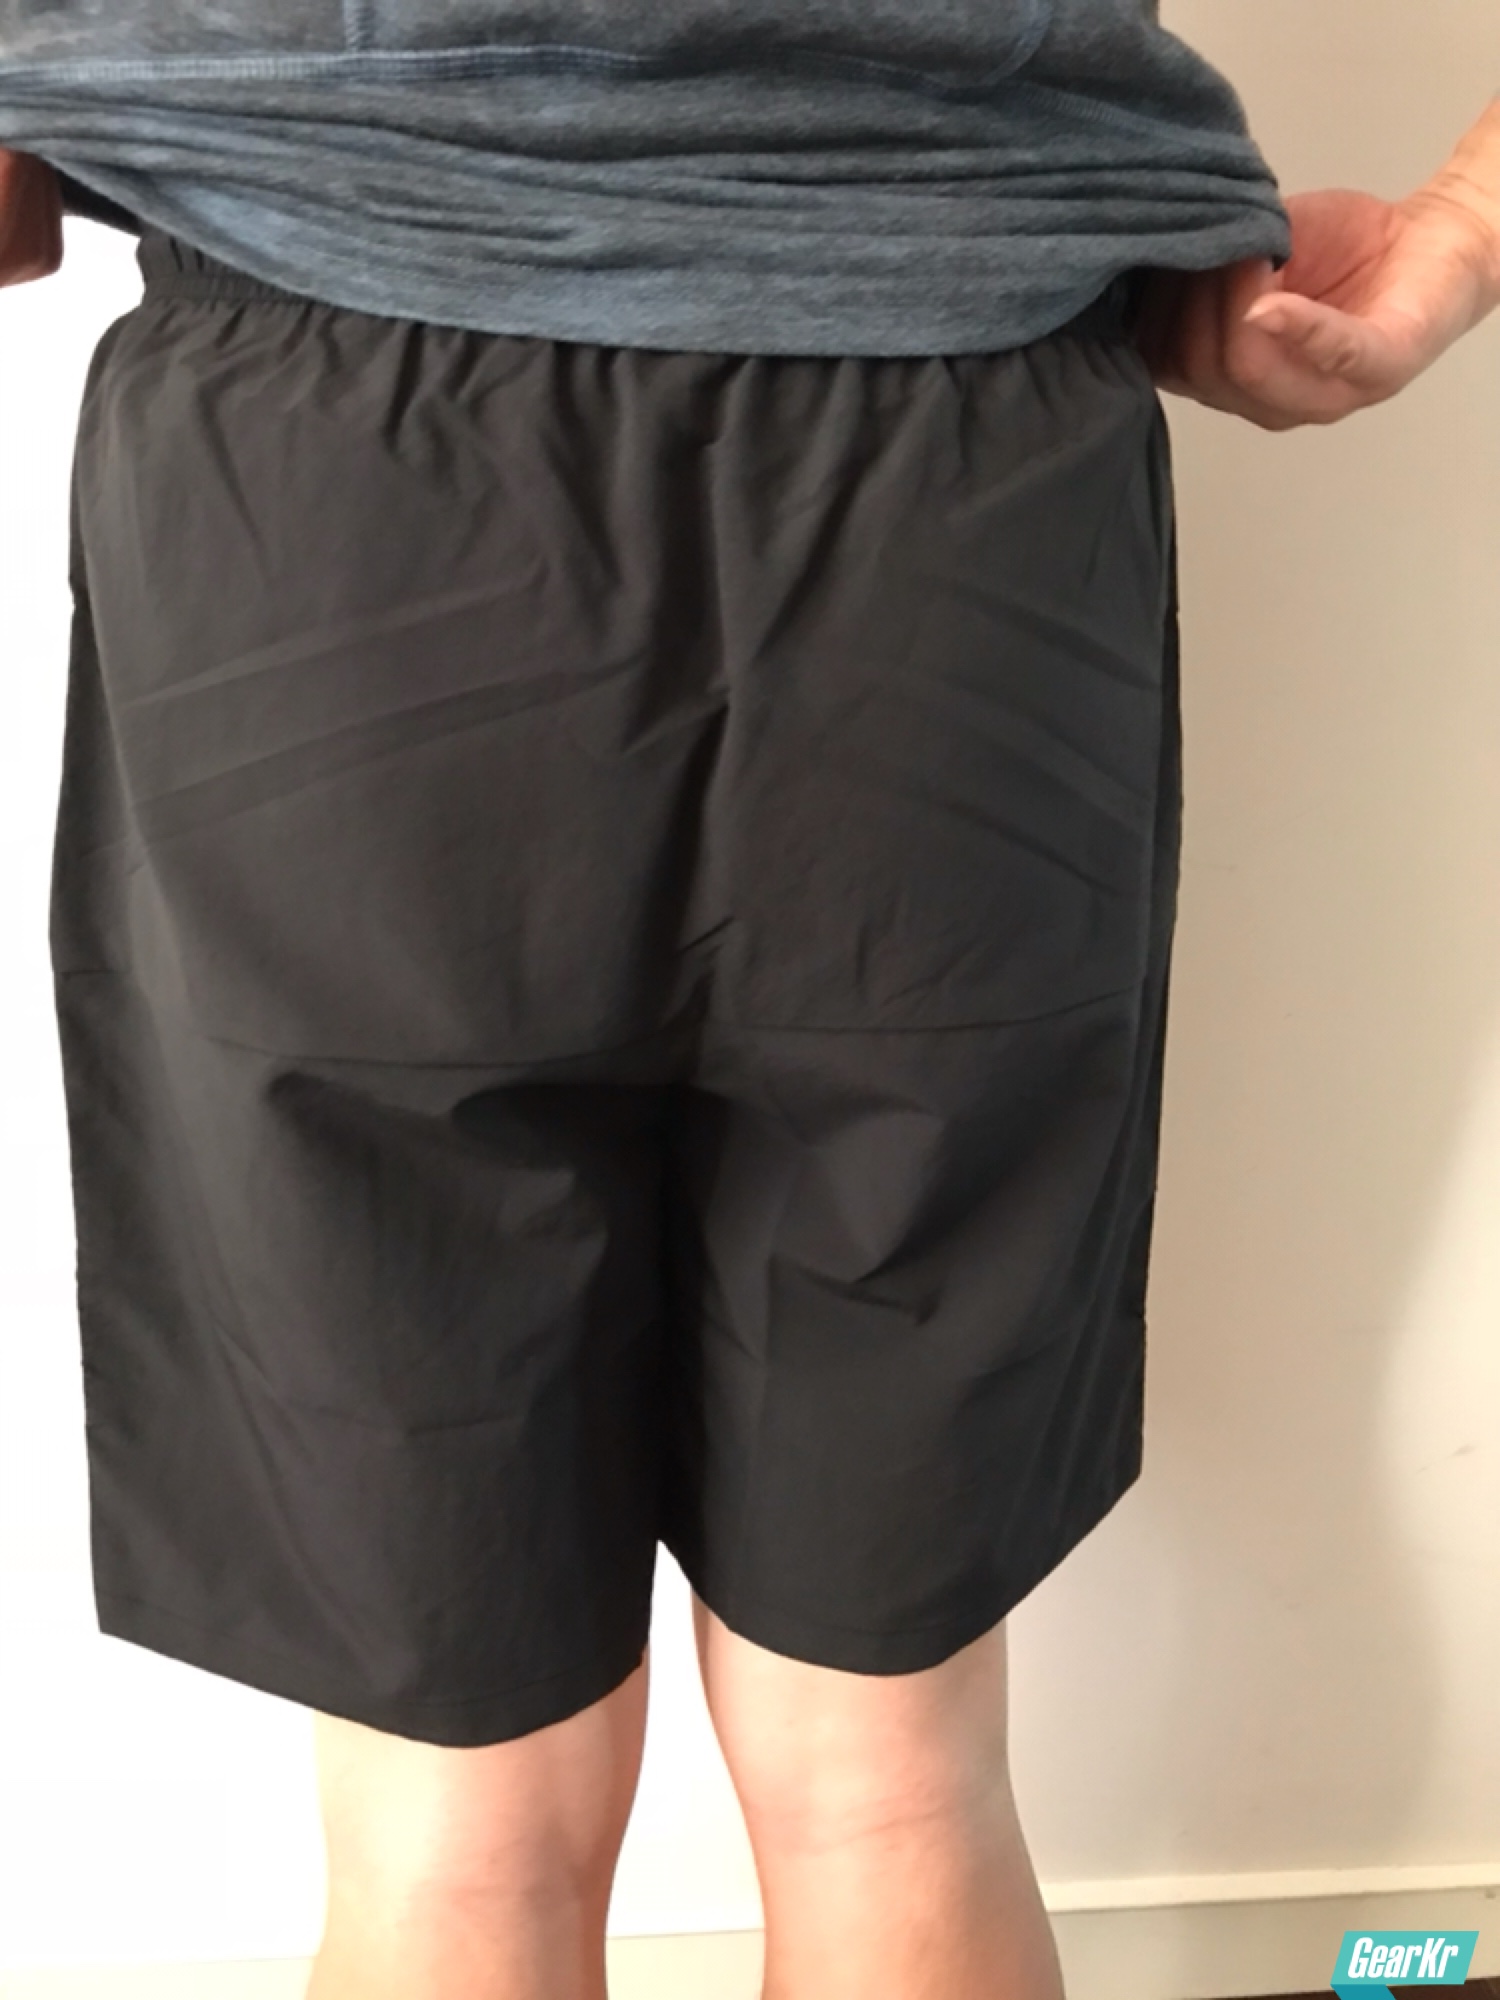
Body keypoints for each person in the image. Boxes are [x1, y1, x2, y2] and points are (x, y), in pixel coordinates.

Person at [1, 10, 1498, 1997]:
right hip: (960, 488)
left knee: (457, 1820)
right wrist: (1461, 227)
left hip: (333, 497)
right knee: (893, 1779)